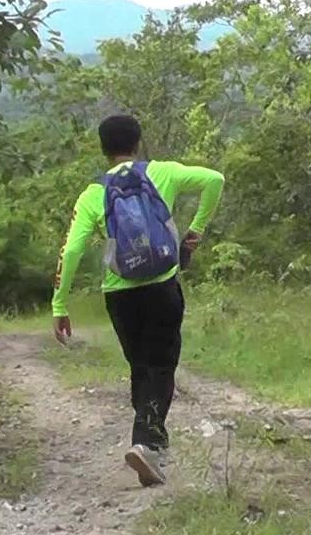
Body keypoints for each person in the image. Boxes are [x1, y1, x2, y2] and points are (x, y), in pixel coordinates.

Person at [52, 114, 224, 488]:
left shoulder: (93, 194)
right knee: (162, 366)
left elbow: (73, 248)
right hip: (162, 285)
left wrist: (59, 305)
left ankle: (147, 444)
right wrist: (194, 233)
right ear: (138, 142)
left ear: (103, 149)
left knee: (140, 366)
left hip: (120, 294)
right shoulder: (162, 172)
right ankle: (147, 443)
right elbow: (215, 180)